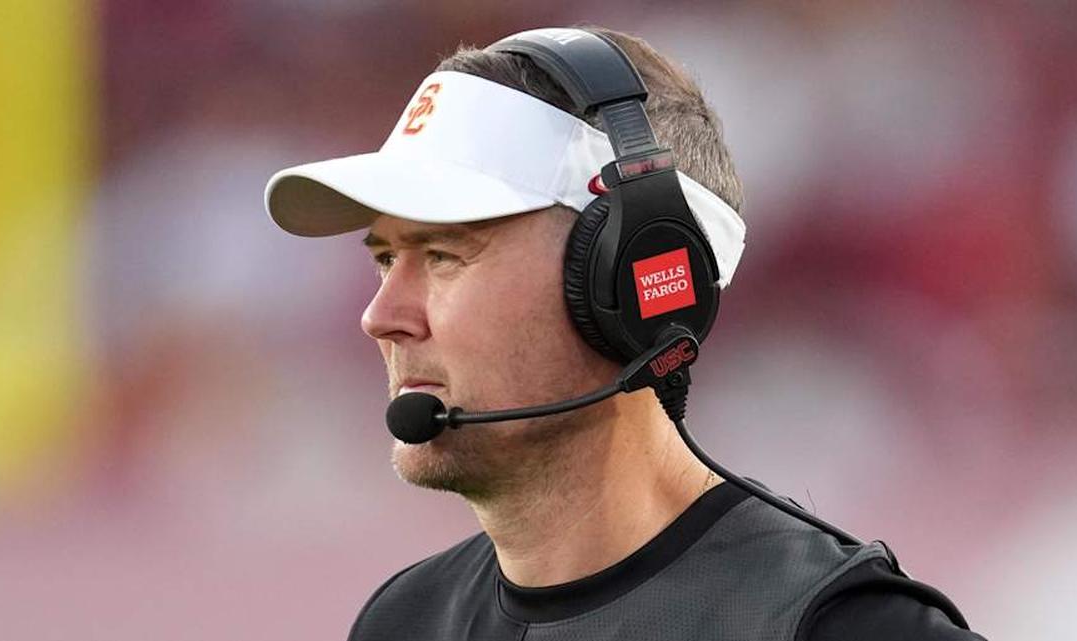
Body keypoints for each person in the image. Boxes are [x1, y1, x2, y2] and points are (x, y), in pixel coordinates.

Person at [264, 26, 986, 641]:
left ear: (629, 279)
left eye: (446, 256)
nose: (381, 314)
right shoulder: (404, 621)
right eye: (388, 258)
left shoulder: (841, 626)